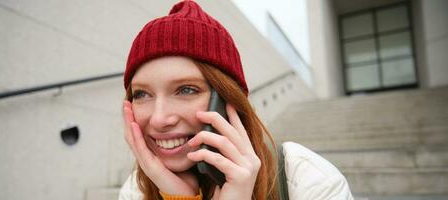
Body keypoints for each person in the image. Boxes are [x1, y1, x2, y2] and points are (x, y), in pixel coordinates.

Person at [119, 1, 354, 199]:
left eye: (187, 90)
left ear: (226, 99)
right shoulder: (134, 191)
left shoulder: (307, 178)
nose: (160, 119)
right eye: (142, 94)